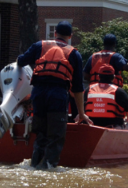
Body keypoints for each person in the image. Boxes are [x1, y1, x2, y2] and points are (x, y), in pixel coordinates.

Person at [17, 21, 92, 169]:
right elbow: (78, 88)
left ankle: (34, 167)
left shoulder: (39, 46)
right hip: (57, 96)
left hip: (38, 95)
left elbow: (21, 61)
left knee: (41, 135)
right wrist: (81, 114)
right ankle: (48, 169)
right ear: (70, 36)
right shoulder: (74, 54)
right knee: (55, 137)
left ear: (55, 33)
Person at [83, 65, 128, 129]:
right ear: (113, 77)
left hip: (91, 128)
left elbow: (81, 110)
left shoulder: (88, 89)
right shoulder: (119, 91)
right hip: (113, 129)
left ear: (98, 77)